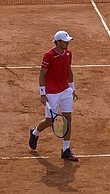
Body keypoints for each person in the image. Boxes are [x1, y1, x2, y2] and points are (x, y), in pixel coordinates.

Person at [28, 30, 78, 161]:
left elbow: (69, 71)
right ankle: (35, 133)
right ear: (58, 42)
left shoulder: (68, 53)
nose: (67, 43)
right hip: (52, 93)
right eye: (65, 41)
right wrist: (43, 94)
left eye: (68, 41)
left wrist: (72, 89)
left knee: (68, 119)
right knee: (50, 121)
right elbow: (42, 74)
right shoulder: (48, 55)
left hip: (66, 90)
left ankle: (66, 150)